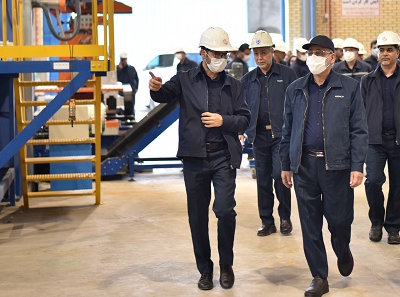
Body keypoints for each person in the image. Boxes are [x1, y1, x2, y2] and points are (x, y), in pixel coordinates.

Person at [149, 27, 250, 291]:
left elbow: (244, 119)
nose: (221, 58)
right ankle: (205, 269)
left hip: (223, 156)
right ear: (203, 53)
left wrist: (223, 121)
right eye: (217, 53)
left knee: (225, 210)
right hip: (194, 157)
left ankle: (226, 266)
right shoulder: (185, 80)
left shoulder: (234, 86)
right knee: (197, 217)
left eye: (224, 54)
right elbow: (163, 94)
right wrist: (155, 88)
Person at [280, 35, 368, 297]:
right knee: (309, 224)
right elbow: (287, 130)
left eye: (319, 52)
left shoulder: (349, 87)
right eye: (310, 53)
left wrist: (357, 165)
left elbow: (359, 129)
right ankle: (319, 276)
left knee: (339, 221)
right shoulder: (295, 89)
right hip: (304, 165)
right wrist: (286, 163)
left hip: (336, 166)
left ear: (332, 57)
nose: (313, 57)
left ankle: (342, 247)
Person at [241, 30, 297, 237]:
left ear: (272, 52)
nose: (259, 57)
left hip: (280, 136)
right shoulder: (247, 80)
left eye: (263, 53)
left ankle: (285, 217)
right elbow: (242, 108)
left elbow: (297, 104)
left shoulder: (287, 75)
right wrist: (242, 131)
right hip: (258, 137)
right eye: (256, 53)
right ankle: (267, 221)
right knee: (262, 180)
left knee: (280, 176)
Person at [360, 31, 400, 245]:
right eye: (381, 50)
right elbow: (359, 112)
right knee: (373, 181)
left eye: (389, 50)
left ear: (398, 53)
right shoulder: (367, 81)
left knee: (399, 186)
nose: (384, 53)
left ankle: (393, 227)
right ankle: (376, 222)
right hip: (375, 141)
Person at [116, 52, 139, 118]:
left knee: (131, 107)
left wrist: (135, 89)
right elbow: (114, 78)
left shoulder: (131, 69)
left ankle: (132, 118)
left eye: (125, 59)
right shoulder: (117, 69)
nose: (124, 61)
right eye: (122, 60)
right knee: (121, 108)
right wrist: (119, 69)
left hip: (131, 92)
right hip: (121, 93)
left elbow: (136, 79)